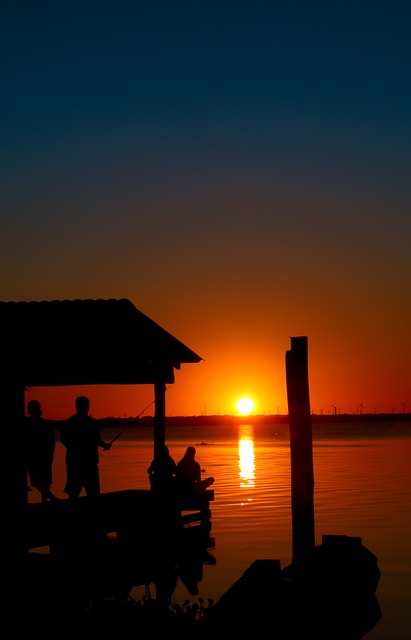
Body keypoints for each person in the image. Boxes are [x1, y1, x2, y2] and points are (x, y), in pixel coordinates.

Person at [60, 395, 112, 499]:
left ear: (76, 406)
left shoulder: (70, 421)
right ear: (87, 407)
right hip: (89, 462)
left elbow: (62, 439)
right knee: (92, 491)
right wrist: (105, 445)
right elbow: (97, 440)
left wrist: (71, 447)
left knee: (73, 492)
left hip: (74, 461)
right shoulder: (91, 422)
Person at [25, 399, 59, 502]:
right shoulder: (45, 424)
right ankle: (49, 498)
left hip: (35, 457)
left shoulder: (28, 424)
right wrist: (51, 454)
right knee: (45, 481)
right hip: (45, 456)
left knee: (37, 481)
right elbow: (52, 441)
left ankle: (50, 498)